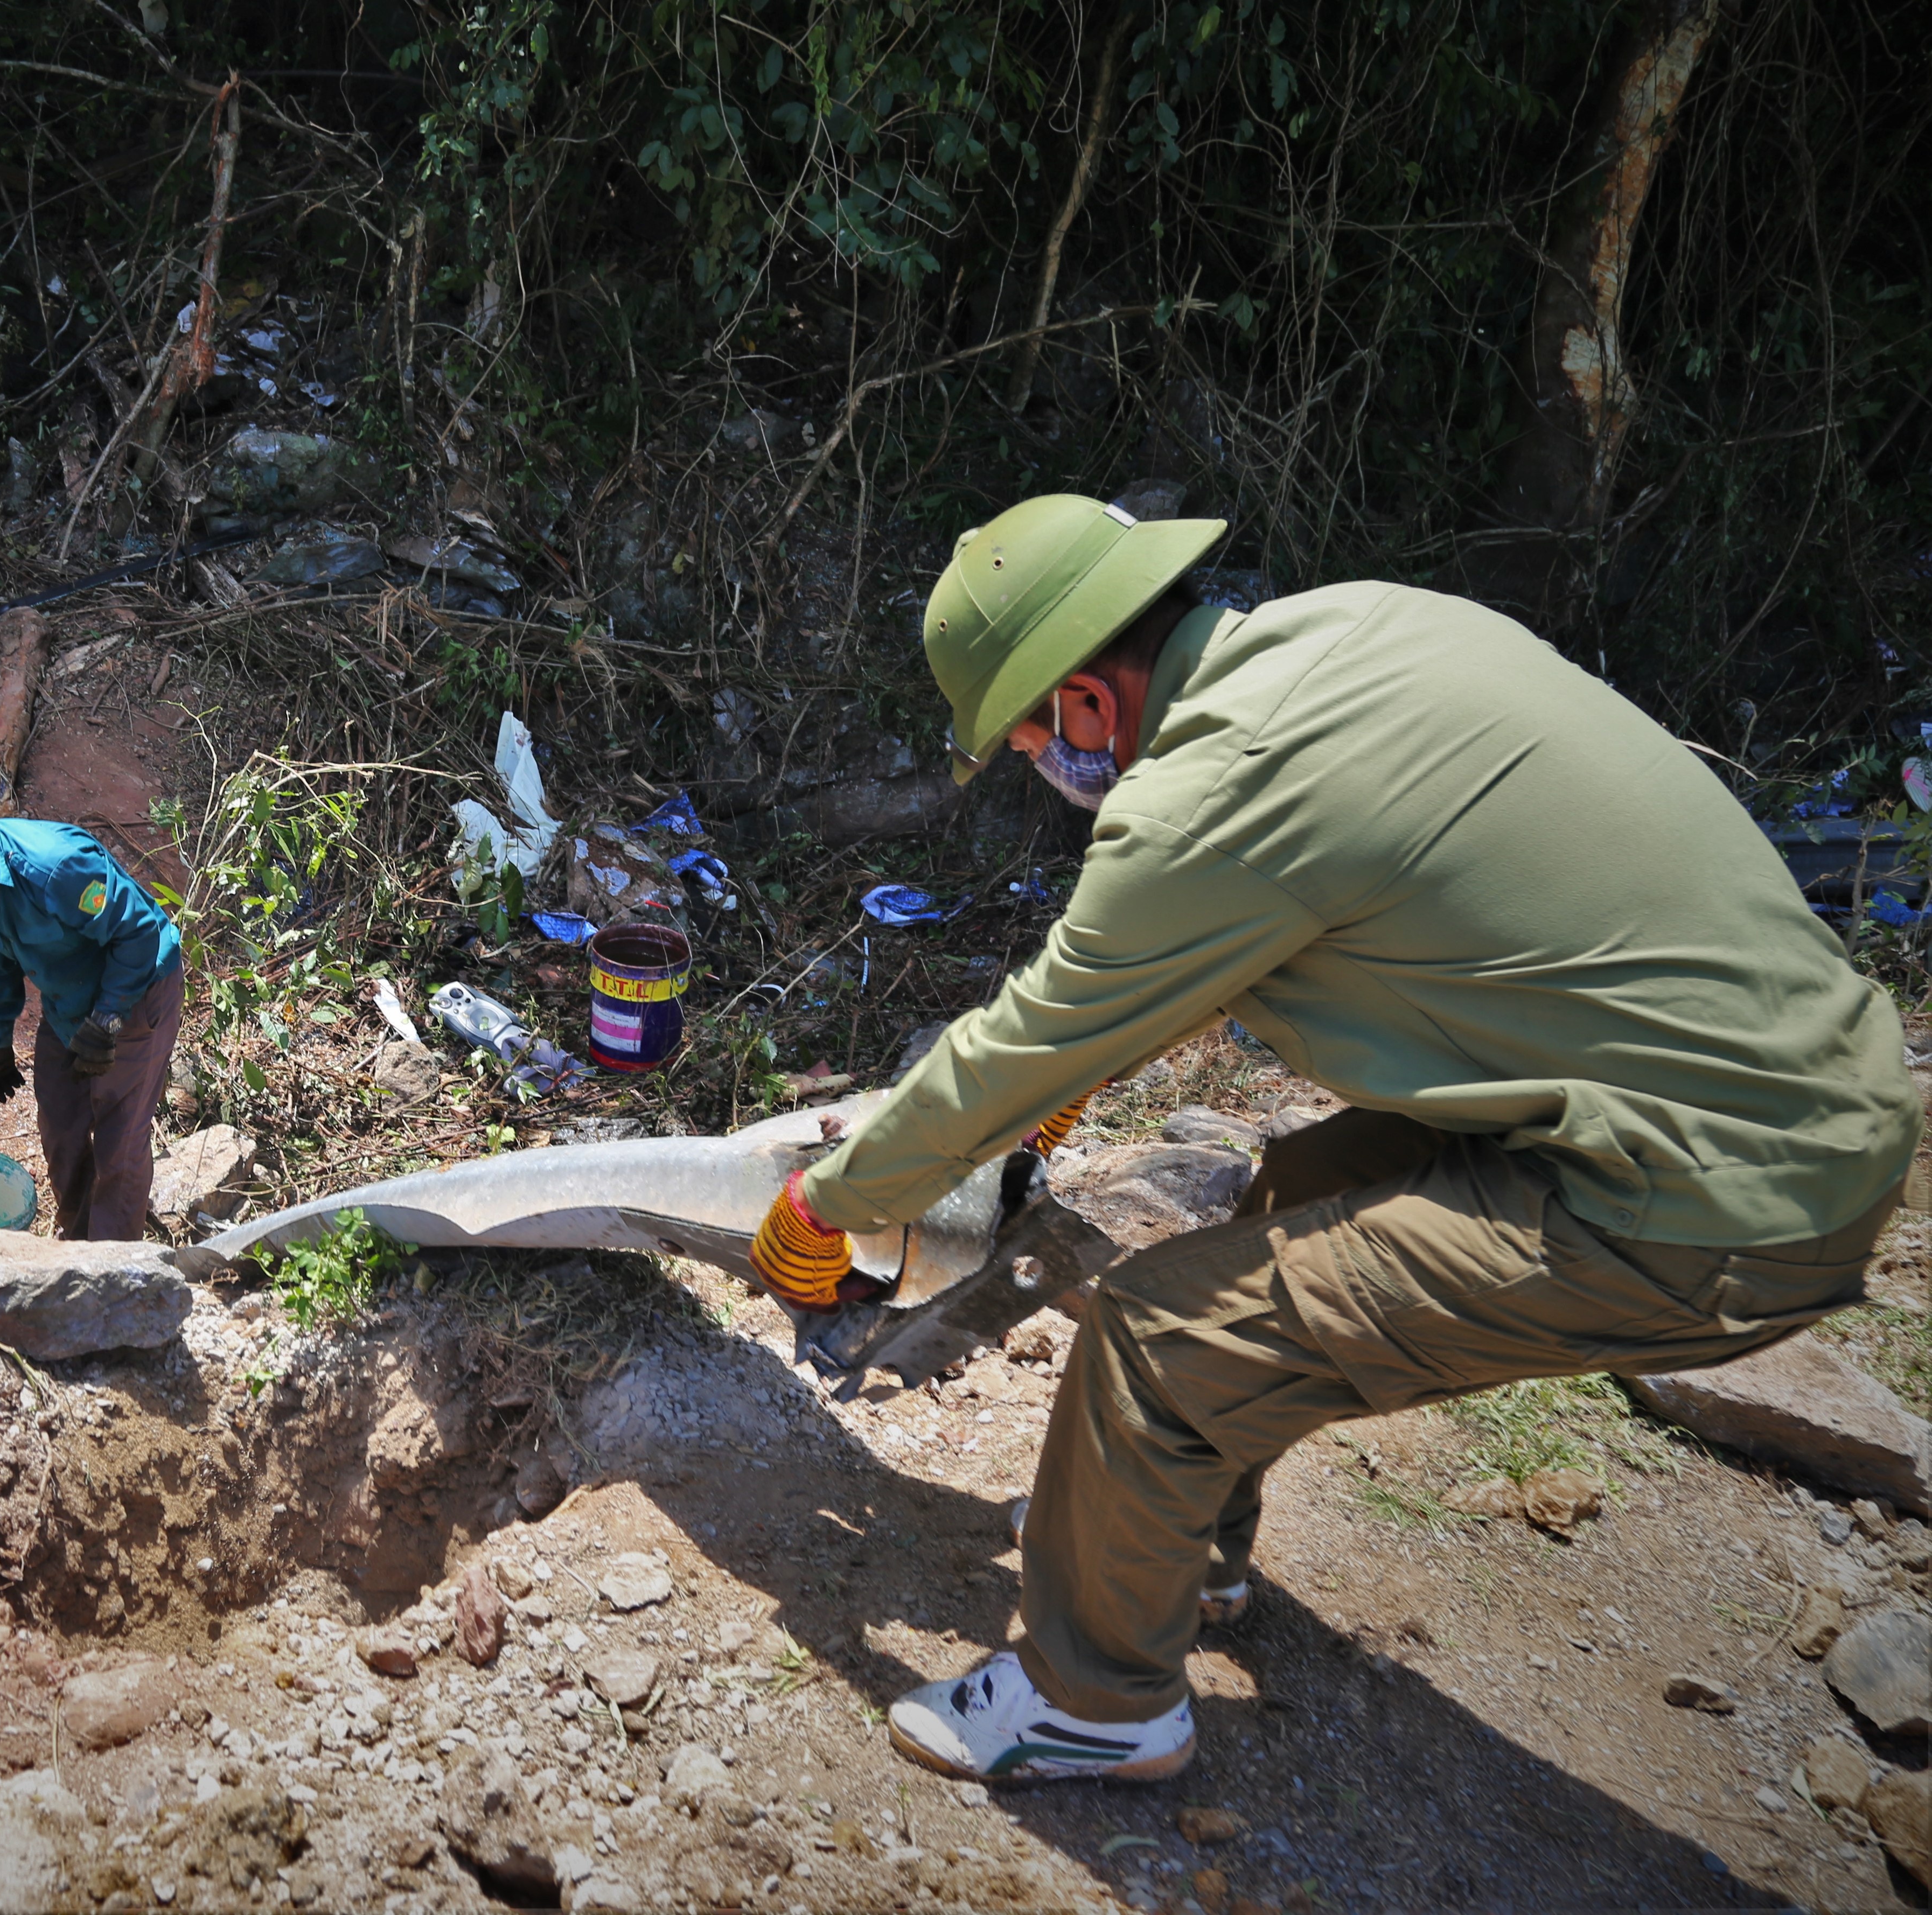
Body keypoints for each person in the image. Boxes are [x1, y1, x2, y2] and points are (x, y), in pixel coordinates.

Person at [748, 494, 1918, 1784]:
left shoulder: (1212, 794)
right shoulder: (1350, 637)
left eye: (1027, 733)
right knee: (1304, 1182)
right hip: (1805, 1081)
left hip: (1726, 1190)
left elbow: (1029, 1034)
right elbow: (1210, 941)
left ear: (1087, 702)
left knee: (1156, 1342)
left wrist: (828, 1203)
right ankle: (1176, 1549)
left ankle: (1092, 1700)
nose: (1042, 762)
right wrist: (1066, 1083)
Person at [0, 774, 185, 1241]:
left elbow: (139, 936)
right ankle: (75, 1235)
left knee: (119, 1140)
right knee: (61, 1125)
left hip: (139, 989)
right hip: (68, 1000)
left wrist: (108, 1019)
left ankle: (112, 1265)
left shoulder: (55, 867)